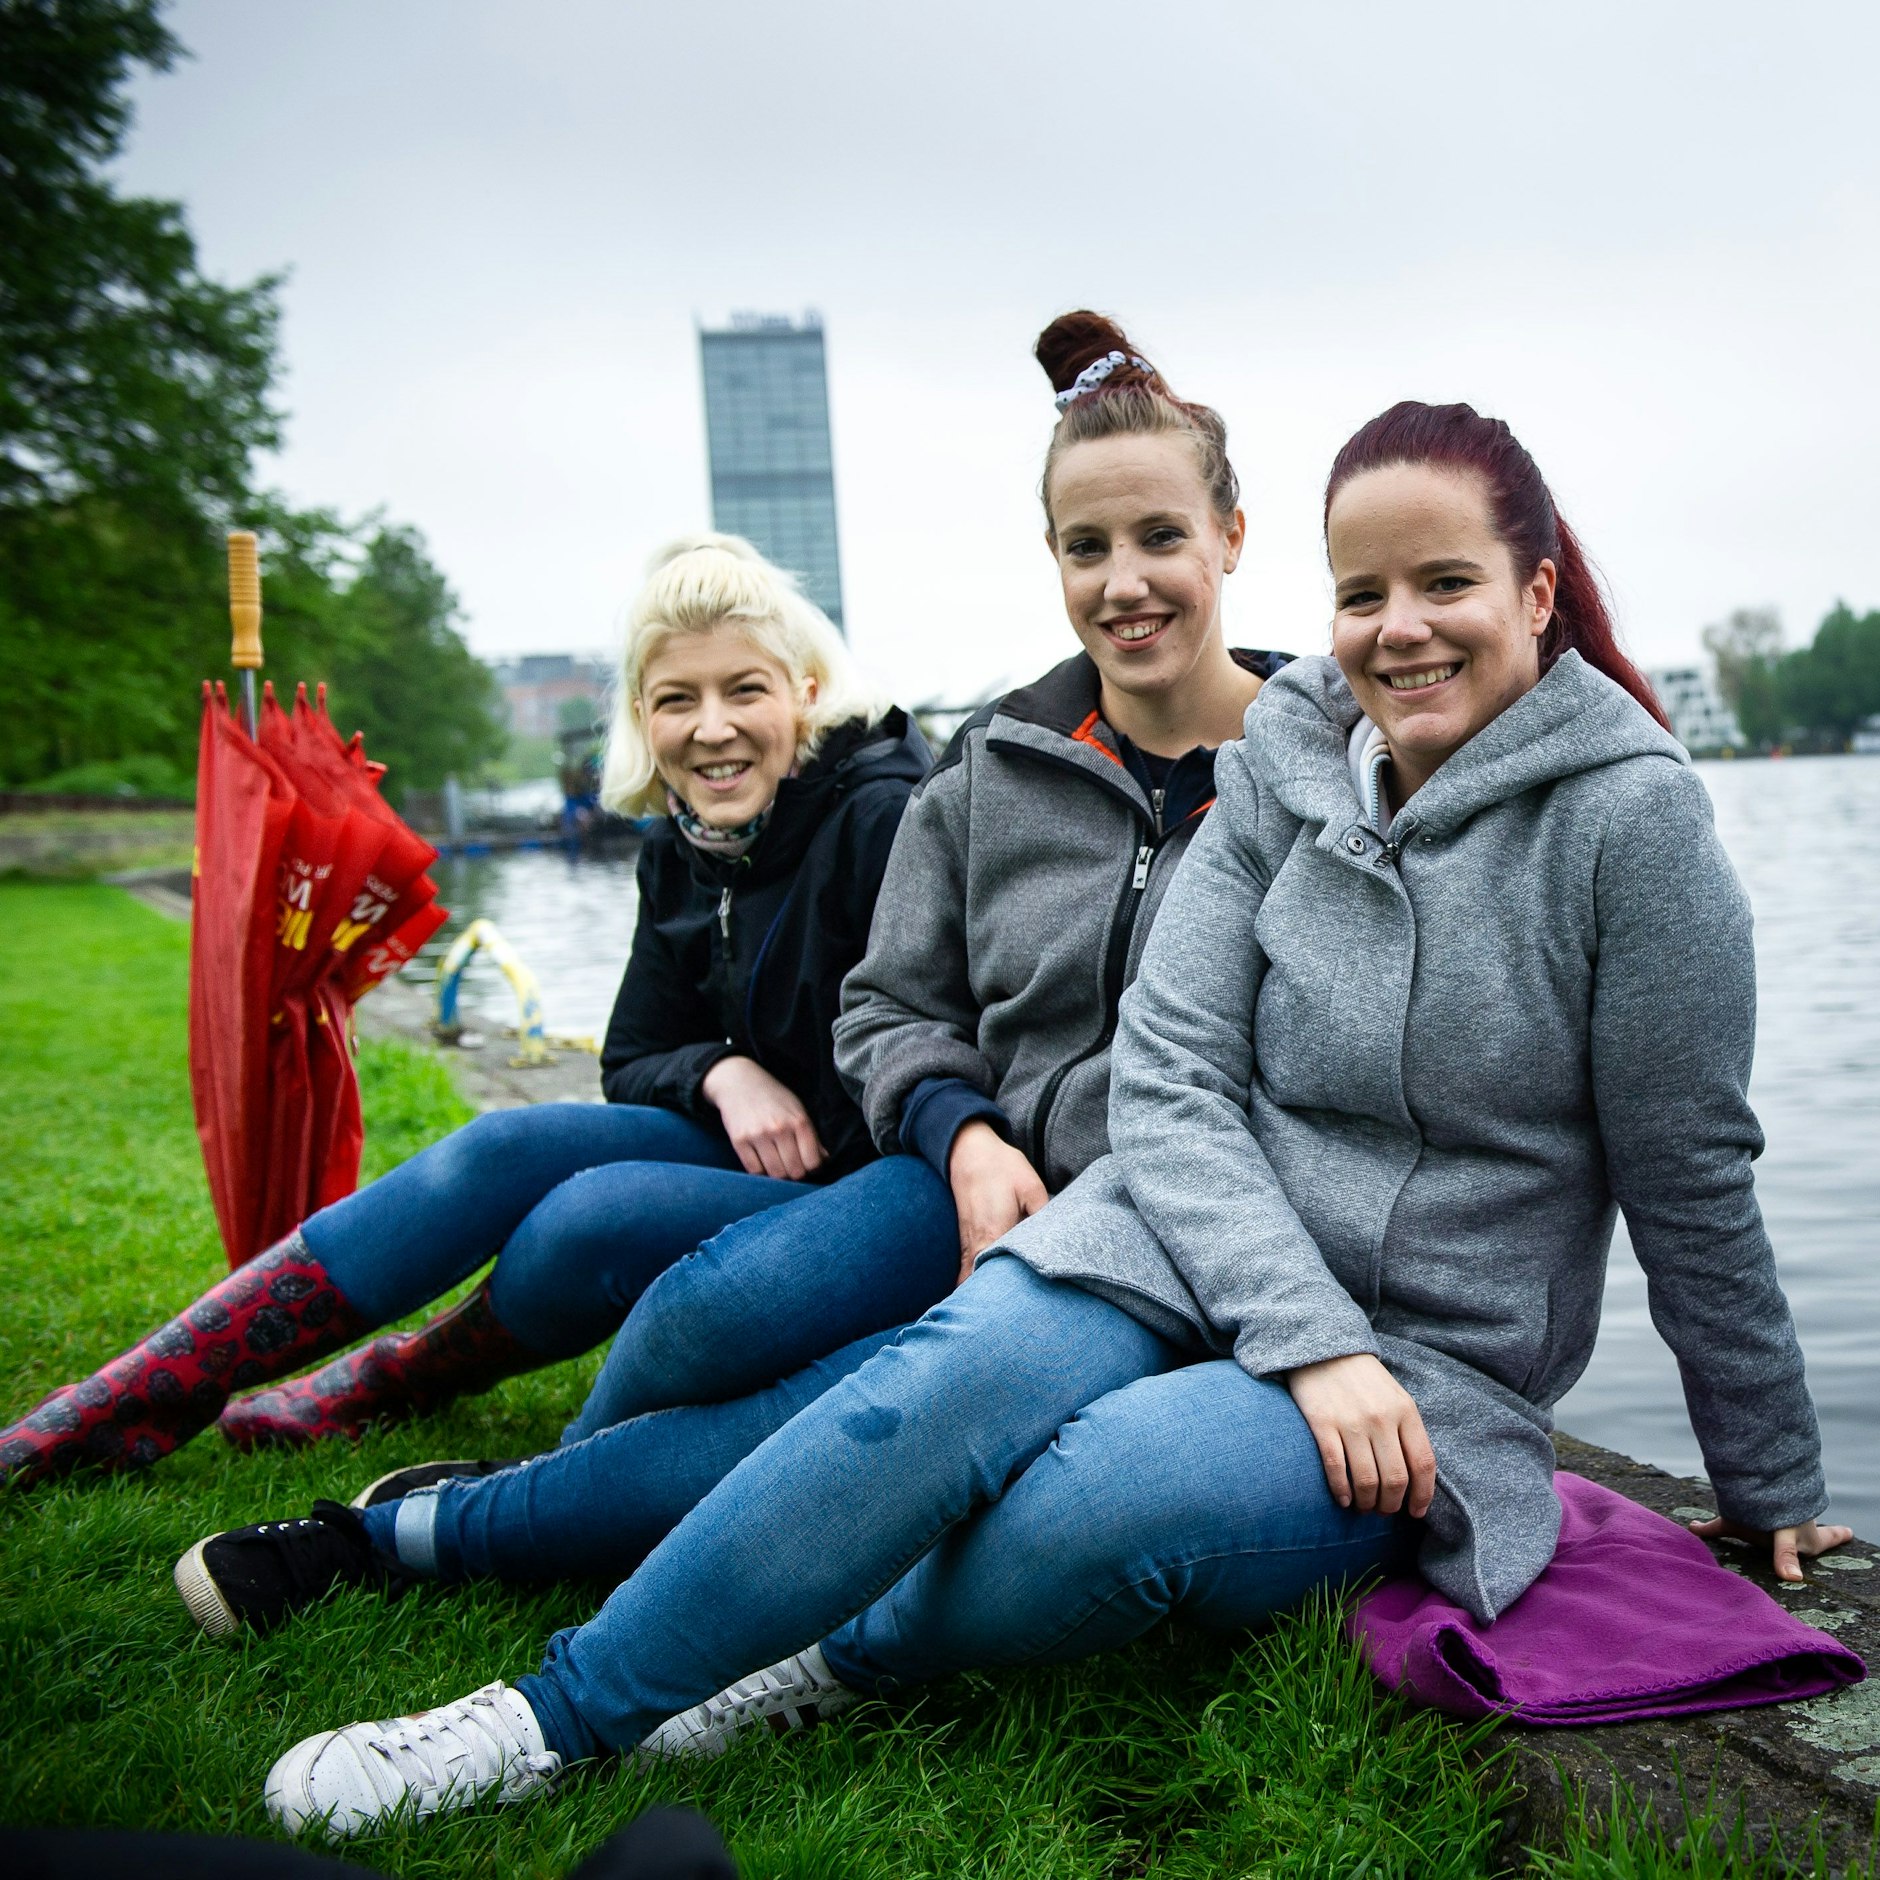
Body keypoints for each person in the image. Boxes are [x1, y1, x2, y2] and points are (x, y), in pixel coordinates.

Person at [229, 398, 1849, 1839]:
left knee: (1090, 1505)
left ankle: (813, 1661)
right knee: (917, 1401)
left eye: (1448, 587)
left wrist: (1766, 1477)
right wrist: (1295, 1320)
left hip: (1420, 1356)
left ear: (1540, 594)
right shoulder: (1287, 760)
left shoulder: (1634, 831)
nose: (1399, 631)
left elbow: (1690, 1175)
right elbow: (1171, 1073)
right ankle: (545, 1718)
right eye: (1364, 593)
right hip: (1173, 1233)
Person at [0, 535, 927, 1486]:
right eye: (677, 700)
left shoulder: (883, 818)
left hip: (886, 1188)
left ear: (806, 690)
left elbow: (939, 1040)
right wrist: (721, 1071)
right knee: (501, 1149)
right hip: (784, 1151)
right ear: (641, 715)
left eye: (745, 690)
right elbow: (636, 1053)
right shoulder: (678, 848)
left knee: (590, 1217)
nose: (712, 728)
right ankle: (119, 1407)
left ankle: (393, 1379)